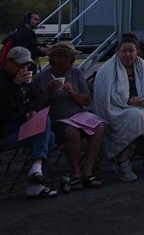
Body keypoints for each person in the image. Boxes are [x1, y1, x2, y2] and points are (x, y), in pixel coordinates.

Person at [0, 47, 58, 198]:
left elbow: (30, 103)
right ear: (8, 63)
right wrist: (15, 86)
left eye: (27, 65)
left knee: (46, 129)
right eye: (20, 64)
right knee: (46, 130)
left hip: (13, 128)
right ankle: (36, 176)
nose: (24, 68)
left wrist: (30, 111)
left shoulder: (25, 81)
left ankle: (36, 174)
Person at [93, 33, 144, 182]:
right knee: (137, 116)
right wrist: (129, 102)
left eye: (131, 50)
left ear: (138, 52)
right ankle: (122, 160)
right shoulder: (106, 71)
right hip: (116, 110)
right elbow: (104, 98)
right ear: (118, 52)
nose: (128, 54)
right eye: (124, 51)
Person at [30, 42, 105, 189]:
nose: (73, 60)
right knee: (72, 131)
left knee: (99, 127)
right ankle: (75, 174)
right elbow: (35, 108)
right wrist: (48, 93)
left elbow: (87, 100)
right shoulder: (41, 78)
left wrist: (73, 94)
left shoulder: (75, 73)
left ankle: (88, 172)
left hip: (78, 116)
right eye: (69, 57)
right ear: (57, 59)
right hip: (57, 120)